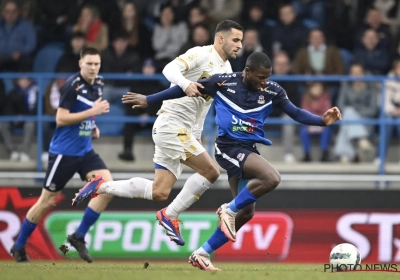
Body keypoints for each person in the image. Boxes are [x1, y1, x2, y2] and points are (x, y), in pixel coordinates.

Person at [118, 52, 342, 270]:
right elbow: (185, 89)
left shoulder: (273, 90)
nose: (265, 81)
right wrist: (150, 99)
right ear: (247, 72)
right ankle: (227, 209)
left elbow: (295, 112)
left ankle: (202, 253)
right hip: (227, 148)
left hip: (248, 149)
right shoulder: (223, 82)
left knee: (246, 212)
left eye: (268, 77)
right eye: (261, 77)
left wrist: (321, 121)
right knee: (272, 178)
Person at [71, 20, 244, 247]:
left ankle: (99, 186)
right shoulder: (202, 54)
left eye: (240, 40)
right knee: (211, 172)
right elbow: (169, 69)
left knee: (159, 191)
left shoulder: (226, 70)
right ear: (221, 38)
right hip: (172, 125)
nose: (239, 45)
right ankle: (169, 216)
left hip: (182, 130)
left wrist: (197, 135)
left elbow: (203, 109)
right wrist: (184, 84)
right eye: (236, 39)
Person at [10, 47, 112, 263]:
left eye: (96, 64)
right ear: (80, 64)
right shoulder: (71, 86)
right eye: (89, 64)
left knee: (106, 188)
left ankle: (78, 236)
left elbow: (86, 114)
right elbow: (61, 118)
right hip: (64, 153)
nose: (93, 68)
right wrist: (92, 113)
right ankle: (18, 246)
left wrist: (92, 126)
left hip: (85, 151)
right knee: (47, 201)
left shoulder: (99, 83)